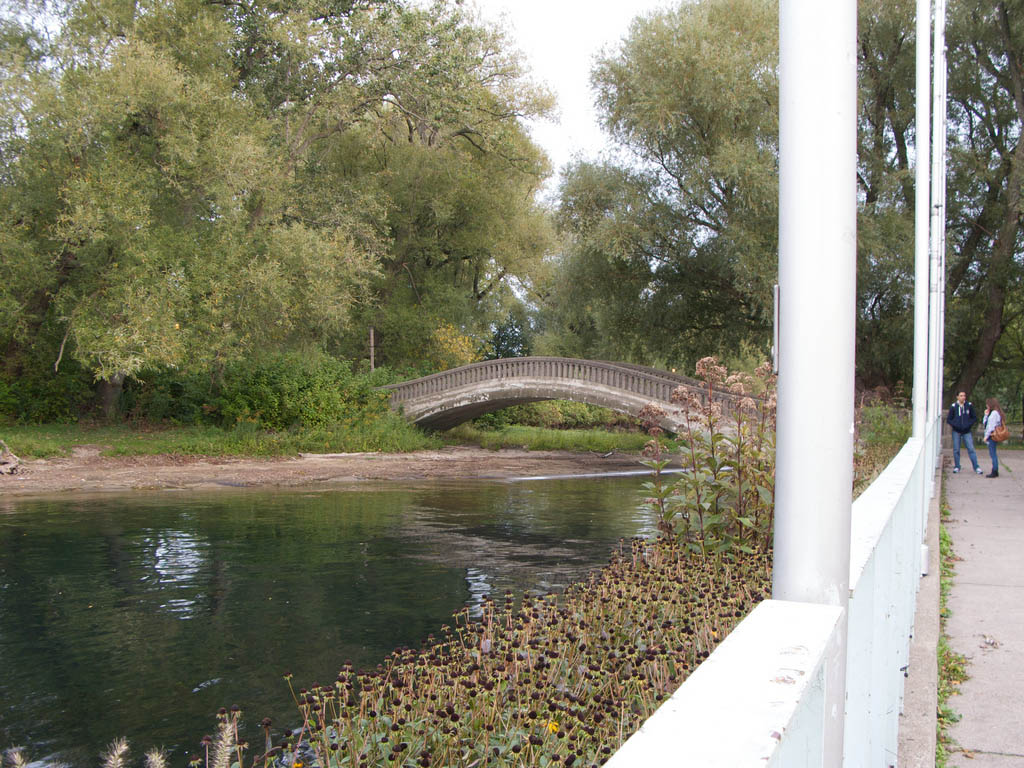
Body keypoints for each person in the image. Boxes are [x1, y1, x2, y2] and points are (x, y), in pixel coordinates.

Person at [946, 391, 983, 474]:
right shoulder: (953, 407)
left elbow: (974, 418)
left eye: (964, 395)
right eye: (961, 395)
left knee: (971, 449)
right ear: (957, 397)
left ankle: (976, 467)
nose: (963, 397)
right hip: (956, 431)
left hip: (967, 431)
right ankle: (957, 466)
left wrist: (968, 425)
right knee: (956, 449)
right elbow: (949, 419)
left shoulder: (969, 406)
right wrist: (955, 425)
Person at [983, 397, 1005, 478]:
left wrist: (986, 436)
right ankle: (995, 470)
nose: (986, 405)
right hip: (993, 435)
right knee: (993, 453)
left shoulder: (994, 414)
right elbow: (985, 423)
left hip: (992, 436)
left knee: (993, 454)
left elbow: (990, 426)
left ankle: (994, 470)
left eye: (987, 404)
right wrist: (986, 415)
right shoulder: (995, 413)